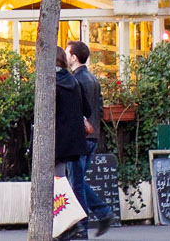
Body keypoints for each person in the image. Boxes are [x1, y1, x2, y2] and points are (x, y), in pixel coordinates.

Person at [66, 41, 113, 238]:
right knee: (77, 182)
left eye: (68, 53)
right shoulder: (92, 79)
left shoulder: (76, 81)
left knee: (75, 184)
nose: (66, 56)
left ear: (74, 57)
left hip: (81, 137)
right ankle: (102, 213)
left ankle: (82, 227)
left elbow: (76, 110)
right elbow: (99, 110)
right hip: (92, 135)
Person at [54, 47, 91, 241]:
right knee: (77, 185)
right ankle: (80, 227)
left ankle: (63, 226)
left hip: (58, 143)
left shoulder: (50, 83)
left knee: (58, 185)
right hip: (76, 142)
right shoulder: (75, 82)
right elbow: (88, 109)